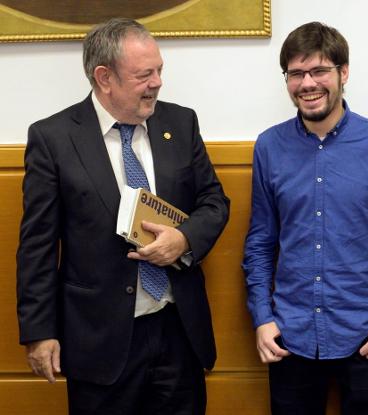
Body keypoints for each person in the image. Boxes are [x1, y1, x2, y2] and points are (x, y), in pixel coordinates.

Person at [16, 18, 229, 414]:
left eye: (160, 70)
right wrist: (39, 332)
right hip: (100, 339)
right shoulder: (54, 138)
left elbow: (214, 202)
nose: (158, 83)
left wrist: (184, 240)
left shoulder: (180, 123)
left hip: (177, 330)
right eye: (144, 74)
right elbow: (37, 246)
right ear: (104, 78)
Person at [242, 21, 368, 415]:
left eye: (319, 71)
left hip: (367, 336)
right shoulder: (269, 147)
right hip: (289, 337)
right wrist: (262, 317)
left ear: (343, 73)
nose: (308, 83)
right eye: (296, 73)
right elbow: (259, 242)